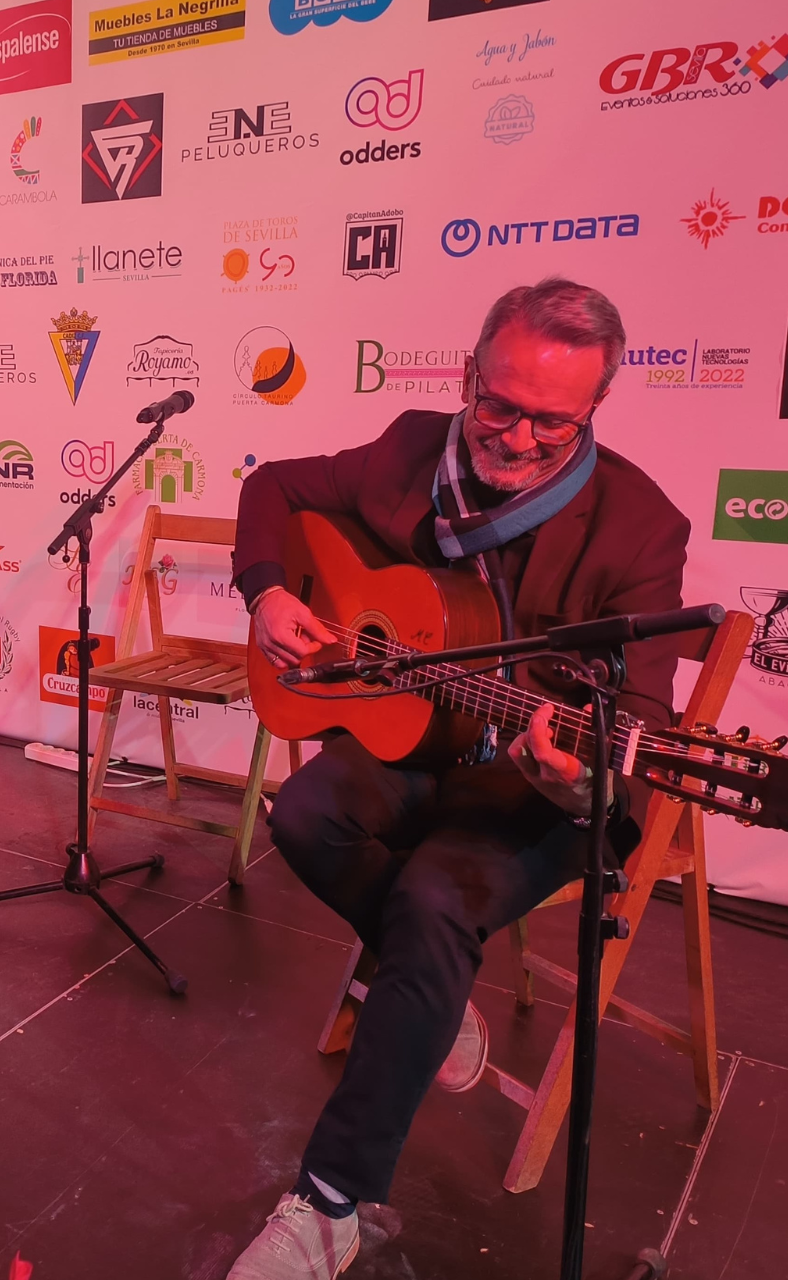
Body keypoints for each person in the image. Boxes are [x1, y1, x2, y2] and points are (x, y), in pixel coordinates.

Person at [225, 279, 689, 1280]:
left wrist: (576, 773)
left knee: (435, 899)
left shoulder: (641, 527)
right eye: (500, 404)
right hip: (422, 741)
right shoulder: (405, 449)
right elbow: (273, 489)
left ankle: (331, 1201)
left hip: (537, 788)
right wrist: (266, 593)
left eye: (554, 423)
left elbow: (643, 728)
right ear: (467, 373)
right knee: (304, 811)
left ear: (596, 410)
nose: (518, 438)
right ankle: (427, 994)